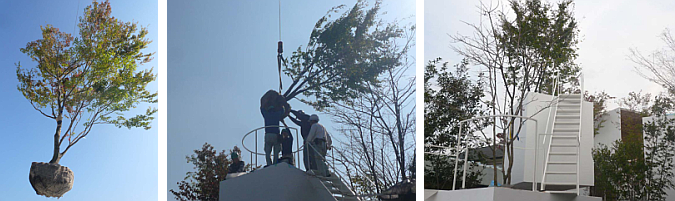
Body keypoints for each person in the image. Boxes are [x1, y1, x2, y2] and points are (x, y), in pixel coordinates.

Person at [261, 92, 288, 167]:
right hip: (276, 134)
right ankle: (275, 164)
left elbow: (262, 109)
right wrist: (280, 103)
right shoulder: (277, 114)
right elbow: (283, 110)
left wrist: (266, 101)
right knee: (276, 151)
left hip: (268, 134)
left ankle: (269, 164)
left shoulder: (266, 115)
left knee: (267, 152)